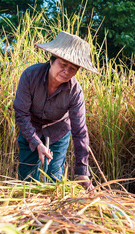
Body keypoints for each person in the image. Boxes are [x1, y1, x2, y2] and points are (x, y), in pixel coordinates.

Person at [13, 31, 99, 191]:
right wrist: (37, 143)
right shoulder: (30, 76)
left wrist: (82, 172)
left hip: (59, 132)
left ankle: (54, 214)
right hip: (30, 129)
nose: (66, 71)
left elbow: (80, 131)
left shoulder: (75, 91)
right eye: (63, 65)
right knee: (27, 179)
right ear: (51, 60)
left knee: (55, 178)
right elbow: (21, 114)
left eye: (72, 68)